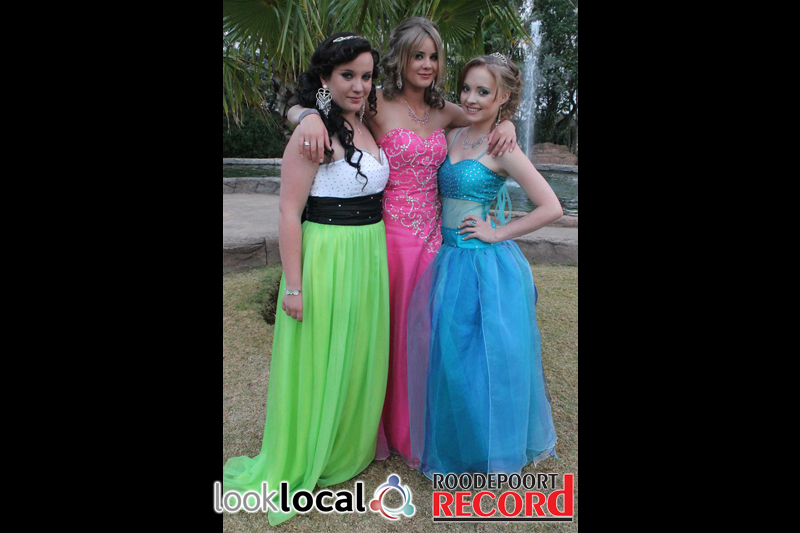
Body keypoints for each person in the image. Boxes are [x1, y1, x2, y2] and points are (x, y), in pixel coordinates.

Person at [288, 17, 518, 468]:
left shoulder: (446, 110)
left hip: (434, 242)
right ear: (400, 58)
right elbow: (311, 103)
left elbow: (483, 114)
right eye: (418, 55)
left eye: (434, 56)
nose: (427, 64)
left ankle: (420, 428)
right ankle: (374, 428)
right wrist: (308, 115)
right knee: (383, 336)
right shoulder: (374, 102)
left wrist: (507, 124)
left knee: (427, 336)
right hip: (387, 239)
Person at [222, 33, 390, 526]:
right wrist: (293, 287)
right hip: (327, 255)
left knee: (356, 351)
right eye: (347, 75)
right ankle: (307, 450)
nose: (359, 85)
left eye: (366, 76)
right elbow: (288, 213)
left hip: (368, 255)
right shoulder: (311, 133)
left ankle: (345, 444)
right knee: (320, 352)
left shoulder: (365, 121)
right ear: (324, 78)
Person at [406, 53, 563, 477]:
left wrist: (497, 233)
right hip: (448, 259)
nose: (471, 99)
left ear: (503, 97)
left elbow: (551, 206)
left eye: (483, 91)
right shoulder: (454, 133)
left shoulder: (502, 146)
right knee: (452, 354)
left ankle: (490, 448)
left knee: (487, 356)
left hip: (484, 264)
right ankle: (460, 440)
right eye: (466, 89)